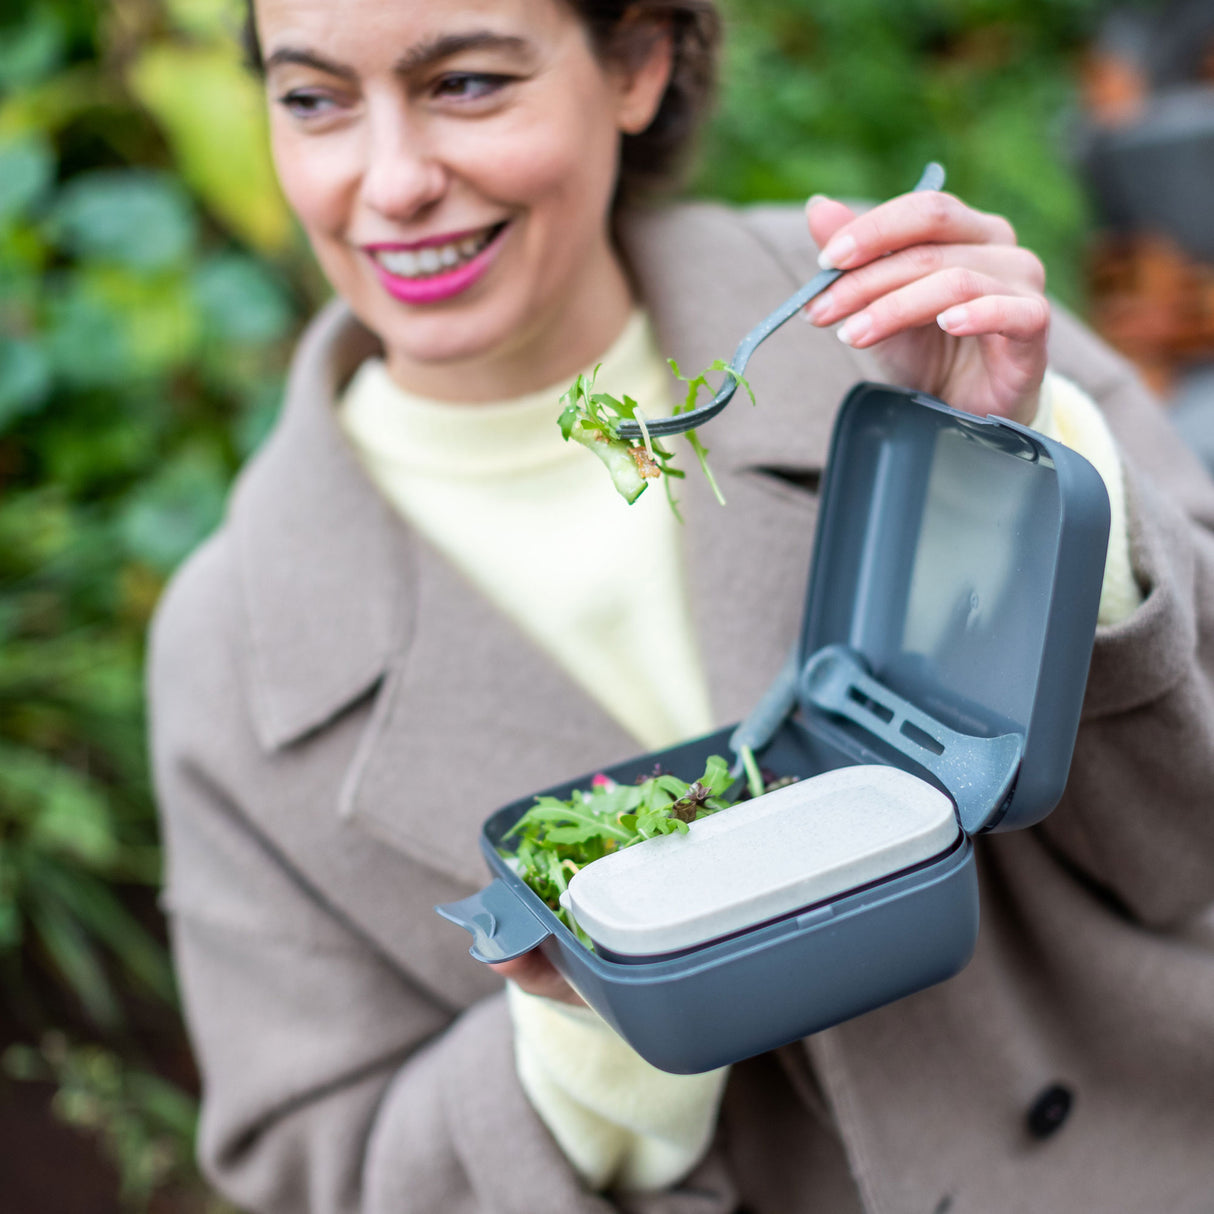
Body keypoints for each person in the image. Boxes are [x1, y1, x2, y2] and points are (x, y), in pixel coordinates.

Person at [147, 0, 1214, 1210]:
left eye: (466, 84)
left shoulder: (902, 333)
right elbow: (320, 1165)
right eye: (312, 99)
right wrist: (589, 1024)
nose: (390, 181)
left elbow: (1192, 839)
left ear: (638, 63)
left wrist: (1012, 474)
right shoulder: (231, 649)